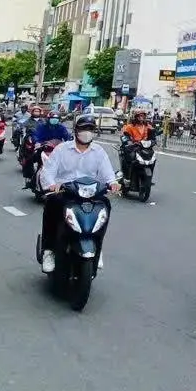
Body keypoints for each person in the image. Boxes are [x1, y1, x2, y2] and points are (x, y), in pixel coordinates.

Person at [39, 114, 120, 273]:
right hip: (65, 192)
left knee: (106, 205)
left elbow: (108, 174)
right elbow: (48, 171)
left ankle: (97, 244)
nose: (86, 132)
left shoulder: (98, 151)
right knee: (52, 204)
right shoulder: (62, 149)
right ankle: (48, 251)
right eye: (83, 129)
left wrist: (113, 183)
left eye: (90, 129)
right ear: (76, 131)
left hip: (91, 194)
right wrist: (52, 185)